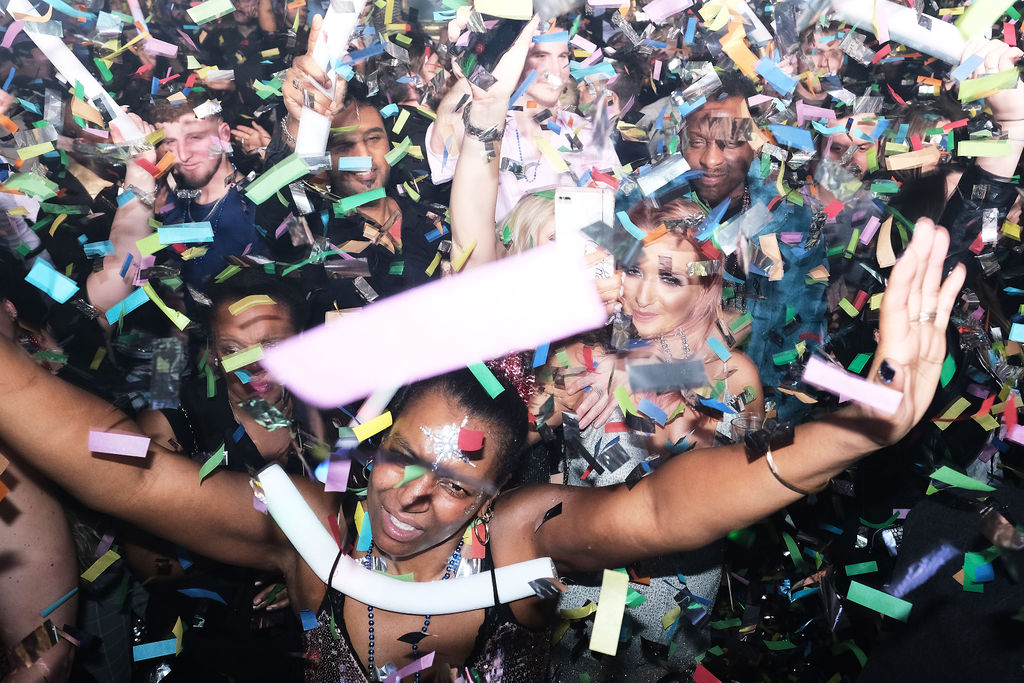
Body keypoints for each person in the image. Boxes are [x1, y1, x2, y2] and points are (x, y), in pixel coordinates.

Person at [86, 92, 269, 314]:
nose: (182, 156)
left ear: (223, 135)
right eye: (170, 142)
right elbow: (105, 302)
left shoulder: (263, 206)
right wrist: (138, 166)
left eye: (195, 137)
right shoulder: (172, 199)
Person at [426, 16, 620, 223]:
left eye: (563, 56)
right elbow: (443, 141)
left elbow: (610, 212)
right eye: (540, 55)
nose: (555, 71)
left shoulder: (588, 133)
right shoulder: (483, 128)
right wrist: (475, 67)